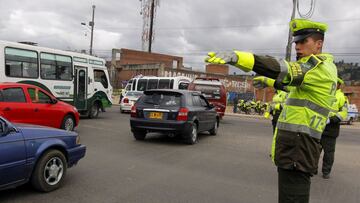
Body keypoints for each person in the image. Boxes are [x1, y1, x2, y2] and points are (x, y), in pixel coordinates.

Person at [205, 18, 337, 203]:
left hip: (298, 150)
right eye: (296, 42)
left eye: (303, 41)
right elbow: (295, 88)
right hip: (296, 149)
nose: (297, 46)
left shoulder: (317, 67)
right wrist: (269, 82)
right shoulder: (317, 70)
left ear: (318, 44)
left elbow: (282, 68)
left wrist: (240, 57)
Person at [320, 78, 348, 179]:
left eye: (336, 83)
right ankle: (312, 168)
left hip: (331, 128)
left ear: (339, 85)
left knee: (329, 153)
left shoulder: (342, 97)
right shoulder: (323, 93)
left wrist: (331, 120)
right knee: (314, 150)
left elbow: (344, 113)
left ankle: (326, 171)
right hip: (318, 126)